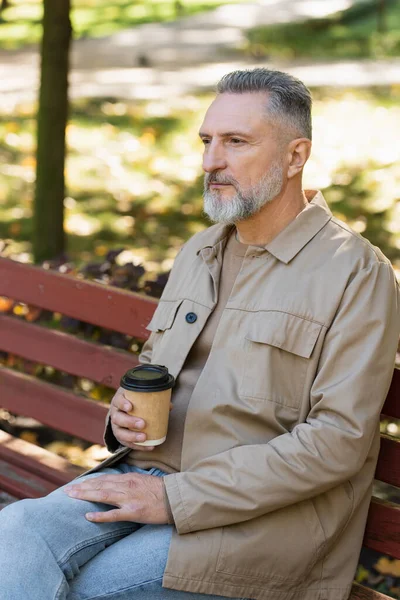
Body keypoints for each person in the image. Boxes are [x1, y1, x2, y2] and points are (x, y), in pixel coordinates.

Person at [0, 68, 399, 600]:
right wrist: (124, 415)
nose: (211, 161)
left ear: (295, 156)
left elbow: (337, 443)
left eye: (236, 142)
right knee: (17, 531)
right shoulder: (201, 250)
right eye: (207, 141)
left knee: (88, 586)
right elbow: (155, 367)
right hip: (150, 479)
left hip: (262, 522)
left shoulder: (355, 272)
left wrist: (176, 499)